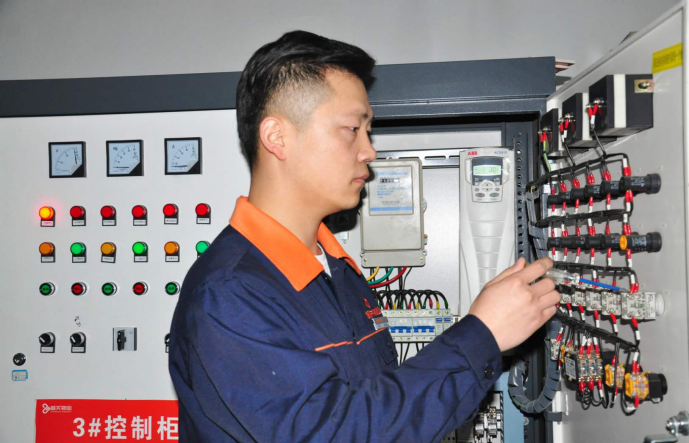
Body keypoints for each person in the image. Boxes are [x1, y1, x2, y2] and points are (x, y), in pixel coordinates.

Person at [168, 30, 559, 442]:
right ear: (277, 137)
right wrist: (481, 336)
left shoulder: (337, 270)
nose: (369, 150)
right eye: (352, 129)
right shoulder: (230, 293)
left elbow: (376, 404)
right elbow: (336, 433)